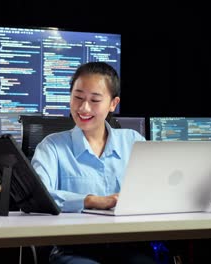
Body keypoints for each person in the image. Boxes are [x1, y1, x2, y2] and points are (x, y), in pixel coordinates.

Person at [31, 62, 156, 264]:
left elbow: (155, 188)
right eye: (78, 97)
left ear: (113, 104)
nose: (83, 108)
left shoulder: (133, 141)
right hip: (74, 249)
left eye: (95, 100)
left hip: (130, 244)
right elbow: (39, 197)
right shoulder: (52, 146)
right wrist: (92, 201)